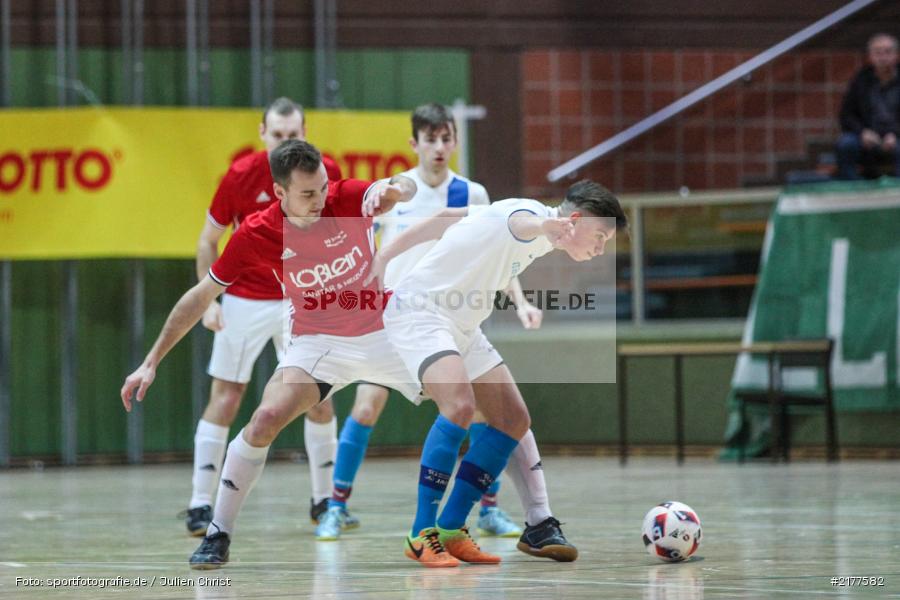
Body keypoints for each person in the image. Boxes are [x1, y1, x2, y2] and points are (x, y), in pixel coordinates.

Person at [121, 140, 418, 569]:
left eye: (322, 188)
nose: (320, 199)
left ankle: (534, 517)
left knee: (472, 397)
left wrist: (398, 186)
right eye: (308, 194)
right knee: (263, 419)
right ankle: (217, 532)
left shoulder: (347, 197)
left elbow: (399, 188)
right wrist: (150, 361)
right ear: (280, 194)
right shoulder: (258, 233)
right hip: (317, 342)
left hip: (379, 329)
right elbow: (201, 295)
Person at [368, 179, 627, 566]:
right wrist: (384, 257)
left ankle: (452, 528)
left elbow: (446, 218)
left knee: (513, 419)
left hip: (463, 325)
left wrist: (386, 254)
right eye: (601, 236)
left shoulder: (524, 216)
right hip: (422, 312)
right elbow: (523, 225)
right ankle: (421, 533)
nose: (600, 247)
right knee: (458, 406)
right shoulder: (532, 218)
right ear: (574, 220)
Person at [314, 103, 541, 543]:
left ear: (455, 141)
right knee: (366, 406)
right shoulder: (399, 192)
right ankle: (335, 506)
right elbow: (364, 245)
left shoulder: (472, 195)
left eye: (446, 138)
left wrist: (523, 302)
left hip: (452, 316)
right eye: (430, 139)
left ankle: (488, 509)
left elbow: (501, 254)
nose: (439, 147)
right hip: (396, 317)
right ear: (413, 144)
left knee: (477, 410)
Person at [185, 97, 345, 537]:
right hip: (246, 299)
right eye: (277, 135)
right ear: (262, 133)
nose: (285, 142)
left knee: (318, 396)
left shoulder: (324, 170)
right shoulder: (240, 176)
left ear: (305, 131)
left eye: (293, 134)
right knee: (229, 396)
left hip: (306, 299)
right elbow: (207, 241)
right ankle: (201, 503)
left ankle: (325, 501)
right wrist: (209, 302)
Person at [836, 33, 900, 180]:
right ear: (870, 56)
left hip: (896, 136)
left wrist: (895, 134)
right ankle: (851, 192)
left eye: (888, 52)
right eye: (877, 52)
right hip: (868, 136)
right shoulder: (861, 80)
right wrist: (862, 132)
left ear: (896, 55)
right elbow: (846, 115)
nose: (883, 57)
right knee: (845, 144)